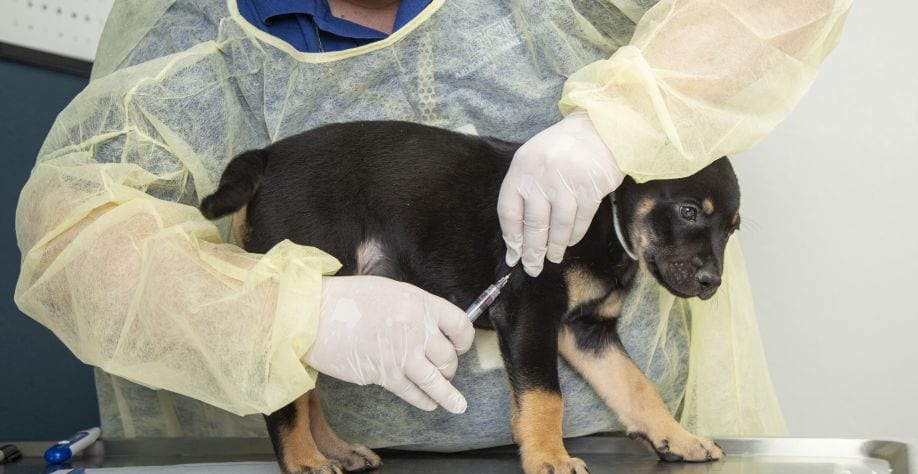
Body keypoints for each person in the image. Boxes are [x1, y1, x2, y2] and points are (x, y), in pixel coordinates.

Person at [14, 0, 851, 449]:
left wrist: (613, 126)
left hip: (606, 465)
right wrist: (294, 314)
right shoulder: (197, 34)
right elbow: (68, 233)